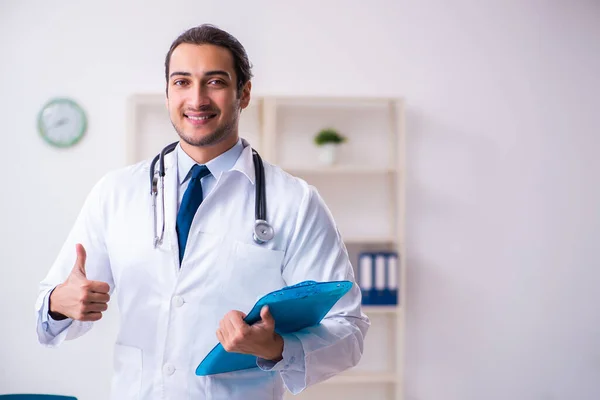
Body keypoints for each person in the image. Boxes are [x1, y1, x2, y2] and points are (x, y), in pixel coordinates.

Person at [36, 24, 370, 399]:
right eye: (181, 82)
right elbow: (49, 310)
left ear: (243, 93)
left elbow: (349, 329)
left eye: (215, 82)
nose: (196, 99)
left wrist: (274, 347)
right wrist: (59, 304)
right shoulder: (116, 193)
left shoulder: (295, 202)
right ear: (167, 93)